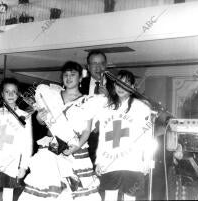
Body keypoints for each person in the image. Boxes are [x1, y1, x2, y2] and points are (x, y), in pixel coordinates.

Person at [18, 61, 101, 201]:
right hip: (52, 146)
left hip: (75, 148)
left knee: (74, 192)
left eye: (73, 75)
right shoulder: (51, 95)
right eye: (66, 75)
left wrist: (75, 148)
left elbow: (87, 130)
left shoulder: (88, 101)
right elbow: (41, 121)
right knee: (48, 189)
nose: (68, 78)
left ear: (80, 78)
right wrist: (40, 118)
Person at [94, 70, 153, 201]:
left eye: (126, 84)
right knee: (109, 197)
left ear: (132, 87)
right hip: (110, 161)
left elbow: (147, 137)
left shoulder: (141, 108)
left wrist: (147, 160)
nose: (121, 88)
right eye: (118, 84)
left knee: (129, 198)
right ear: (114, 86)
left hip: (133, 162)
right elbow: (103, 137)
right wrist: (99, 161)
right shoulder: (106, 108)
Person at [0, 77, 33, 201]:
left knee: (8, 197)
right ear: (1, 94)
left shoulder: (24, 116)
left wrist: (23, 166)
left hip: (12, 164)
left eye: (14, 91)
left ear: (19, 94)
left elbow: (27, 143)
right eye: (7, 91)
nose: (10, 95)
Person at [80, 50, 109, 168]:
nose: (98, 67)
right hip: (83, 137)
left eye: (101, 63)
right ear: (88, 67)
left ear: (106, 65)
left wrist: (108, 97)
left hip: (106, 138)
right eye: (94, 64)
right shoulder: (79, 84)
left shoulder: (116, 85)